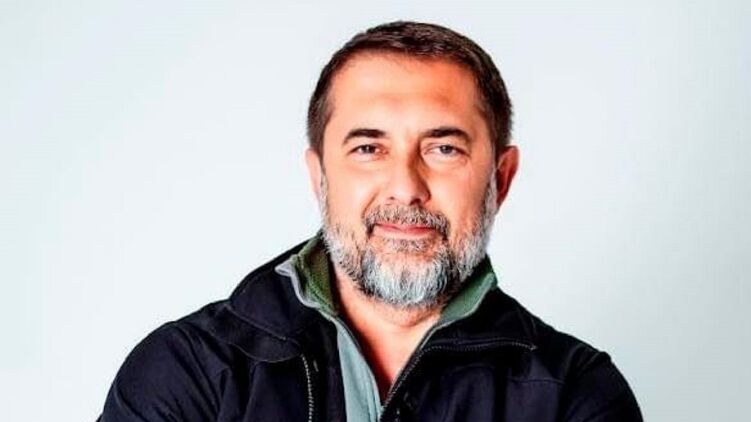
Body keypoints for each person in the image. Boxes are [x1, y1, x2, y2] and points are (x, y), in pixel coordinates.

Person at [99, 21, 642, 421]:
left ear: (501, 178)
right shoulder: (187, 372)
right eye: (368, 148)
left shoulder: (576, 394)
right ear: (319, 176)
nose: (405, 187)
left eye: (444, 148)